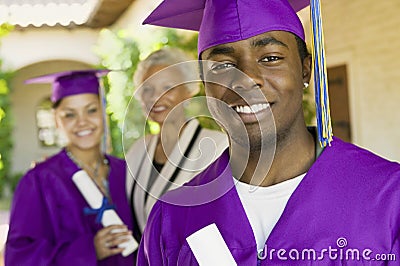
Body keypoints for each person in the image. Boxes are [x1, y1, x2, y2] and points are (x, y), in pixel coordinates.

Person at [136, 0, 400, 265]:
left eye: (271, 58)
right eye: (222, 66)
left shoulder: (388, 201)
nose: (247, 78)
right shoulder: (172, 219)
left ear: (306, 69)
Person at [5, 70, 136, 265]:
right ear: (57, 120)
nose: (82, 122)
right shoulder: (40, 181)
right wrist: (89, 250)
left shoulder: (126, 171)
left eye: (91, 110)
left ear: (103, 112)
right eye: (69, 115)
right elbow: (19, 258)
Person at [125, 47, 228, 243]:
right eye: (147, 88)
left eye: (167, 88)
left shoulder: (218, 146)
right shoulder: (138, 151)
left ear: (189, 91)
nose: (155, 97)